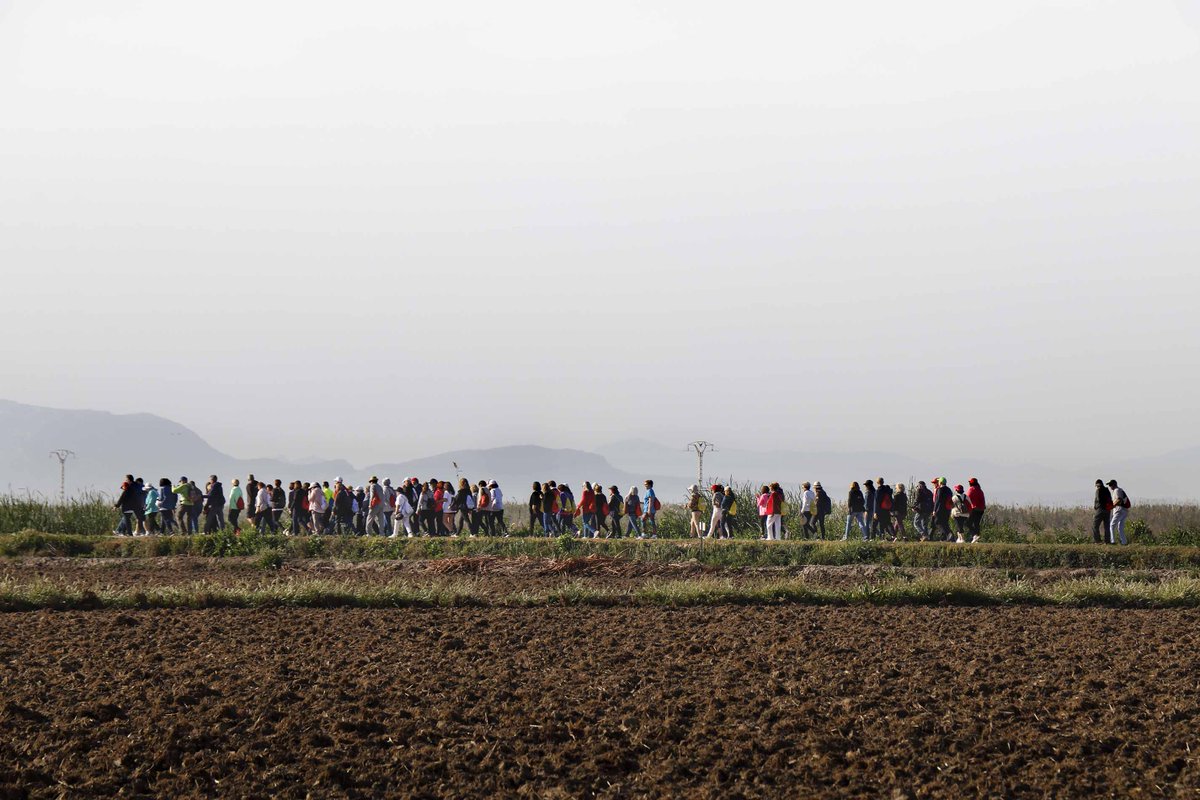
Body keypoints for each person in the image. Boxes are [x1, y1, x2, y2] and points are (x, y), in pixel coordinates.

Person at [1108, 479, 1131, 546]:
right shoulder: (1119, 490)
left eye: (1110, 484)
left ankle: (1112, 541)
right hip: (1124, 510)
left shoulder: (1117, 490)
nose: (1110, 486)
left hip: (1119, 510)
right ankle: (1124, 542)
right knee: (1120, 527)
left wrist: (1112, 506)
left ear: (1114, 484)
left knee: (1112, 525)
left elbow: (1119, 499)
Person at [1092, 479, 1114, 544]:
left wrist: (1096, 507)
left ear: (1098, 484)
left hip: (1100, 509)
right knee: (1107, 526)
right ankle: (1107, 541)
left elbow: (1098, 500)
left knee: (1095, 525)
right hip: (1107, 510)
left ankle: (1097, 540)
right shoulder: (1107, 490)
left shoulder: (1098, 490)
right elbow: (1110, 500)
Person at [966, 478, 986, 542]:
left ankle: (975, 535)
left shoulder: (971, 489)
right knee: (976, 524)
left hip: (974, 509)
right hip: (981, 509)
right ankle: (977, 539)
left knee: (968, 523)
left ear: (971, 483)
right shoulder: (980, 490)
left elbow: (967, 499)